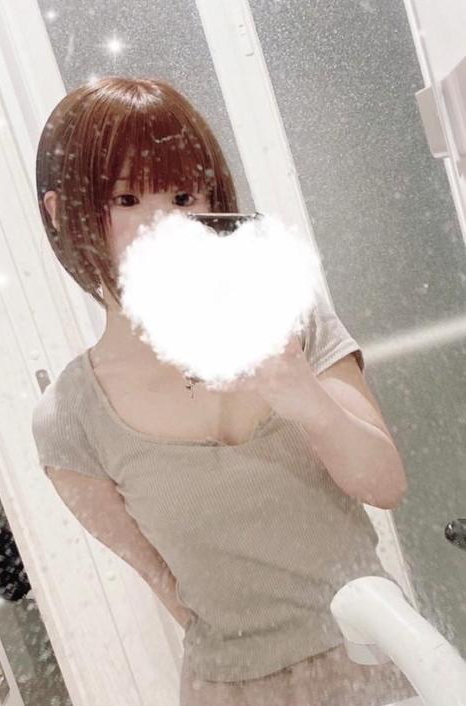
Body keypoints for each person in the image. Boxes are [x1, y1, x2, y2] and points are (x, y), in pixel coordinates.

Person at [32, 76, 417, 705]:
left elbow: (386, 485)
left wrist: (305, 399)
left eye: (184, 196)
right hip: (227, 689)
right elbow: (170, 587)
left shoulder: (292, 319)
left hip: (375, 655)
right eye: (126, 198)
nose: (166, 226)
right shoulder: (69, 419)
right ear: (61, 213)